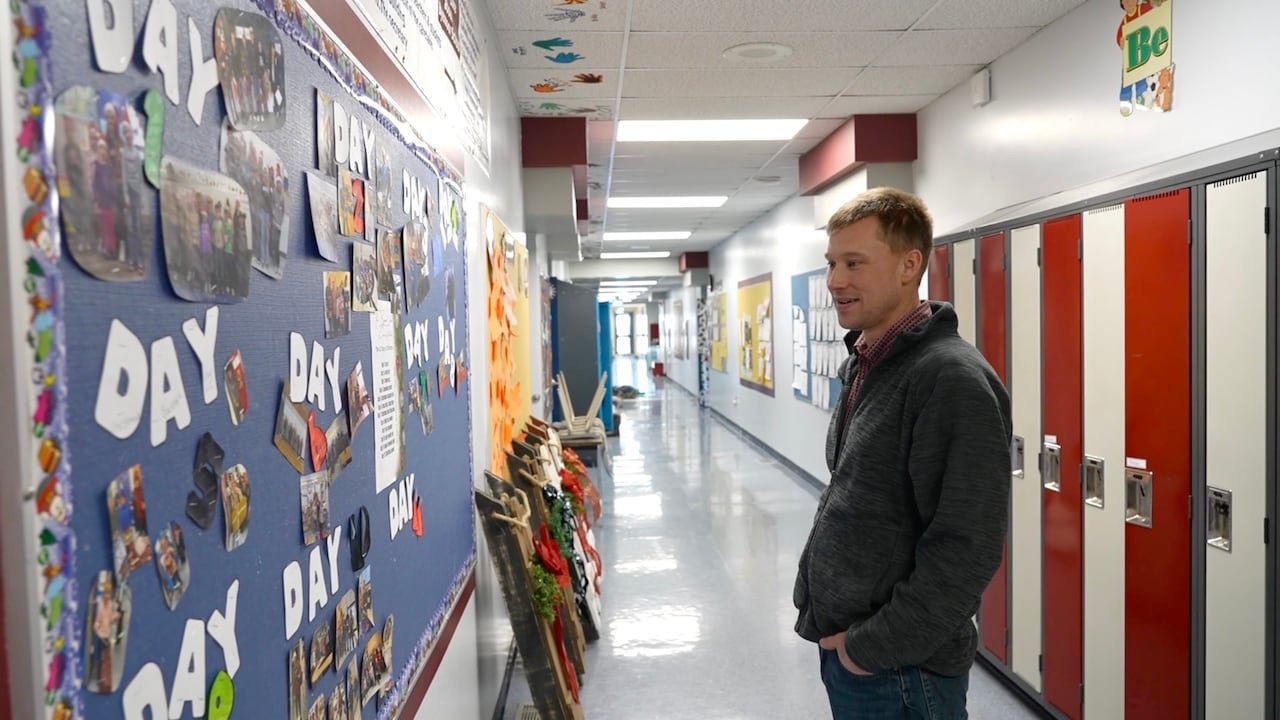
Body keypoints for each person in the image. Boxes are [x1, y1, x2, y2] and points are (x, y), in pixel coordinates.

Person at [793, 187, 1011, 719]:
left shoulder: (948, 379)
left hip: (903, 671)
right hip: (861, 651)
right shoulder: (868, 363)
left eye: (854, 263)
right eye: (831, 264)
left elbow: (967, 547)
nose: (835, 281)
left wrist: (869, 650)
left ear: (910, 264)